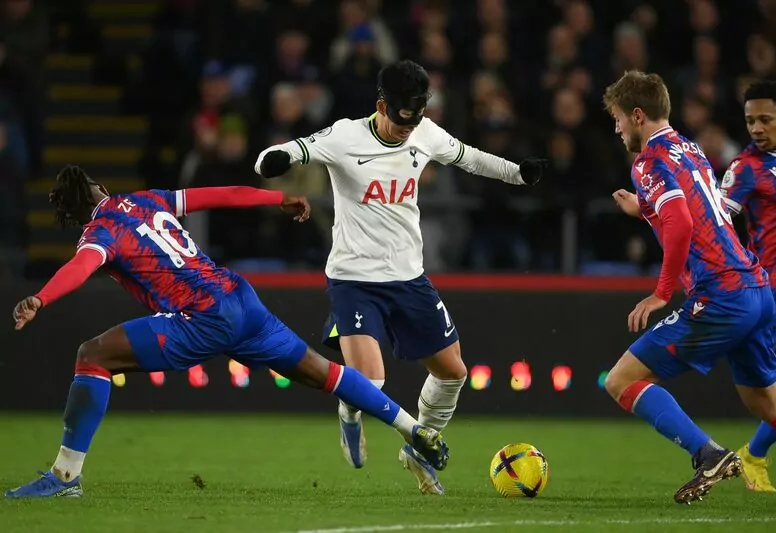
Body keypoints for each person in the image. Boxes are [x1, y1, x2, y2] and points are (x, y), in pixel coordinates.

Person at [5, 165, 449, 499]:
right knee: (326, 373)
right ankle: (413, 429)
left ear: (77, 216)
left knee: (92, 355)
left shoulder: (99, 231)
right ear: (100, 189)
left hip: (201, 317)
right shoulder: (146, 200)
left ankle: (65, 476)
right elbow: (223, 194)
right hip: (242, 299)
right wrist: (277, 198)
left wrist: (41, 298)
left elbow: (81, 267)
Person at [253, 59, 546, 495]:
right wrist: (273, 161)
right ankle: (350, 411)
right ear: (381, 105)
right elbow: (279, 156)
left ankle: (415, 449)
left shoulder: (424, 131)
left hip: (409, 278)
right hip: (354, 278)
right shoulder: (343, 136)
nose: (405, 130)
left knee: (453, 372)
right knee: (371, 383)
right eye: (399, 121)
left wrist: (517, 174)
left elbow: (470, 158)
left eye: (414, 121)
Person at [602, 70, 776, 504]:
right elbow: (693, 207)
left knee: (620, 381)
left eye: (618, 119)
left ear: (637, 115)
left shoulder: (648, 161)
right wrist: (645, 208)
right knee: (769, 404)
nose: (616, 129)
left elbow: (682, 223)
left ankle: (707, 454)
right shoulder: (687, 147)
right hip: (756, 288)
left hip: (720, 295)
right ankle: (711, 453)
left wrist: (661, 291)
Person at [718, 80, 776, 491]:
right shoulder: (746, 169)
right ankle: (755, 453)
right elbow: (714, 221)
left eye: (765, 119)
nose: (756, 128)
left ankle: (761, 449)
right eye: (750, 120)